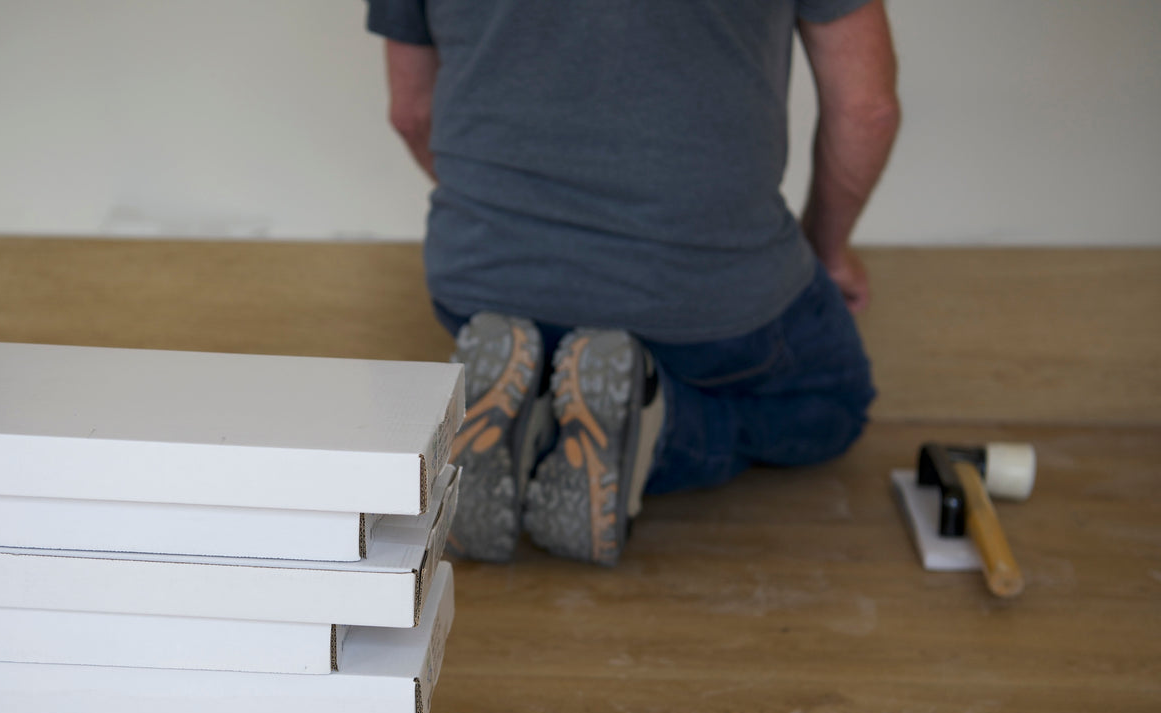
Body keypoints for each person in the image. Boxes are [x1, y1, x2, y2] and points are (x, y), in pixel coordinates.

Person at [367, 0, 900, 566]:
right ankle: (649, 429)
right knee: (830, 402)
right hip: (700, 299)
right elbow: (868, 109)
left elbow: (412, 112)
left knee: (523, 342)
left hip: (482, 287)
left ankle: (522, 415)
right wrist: (828, 251)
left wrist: (505, 218)